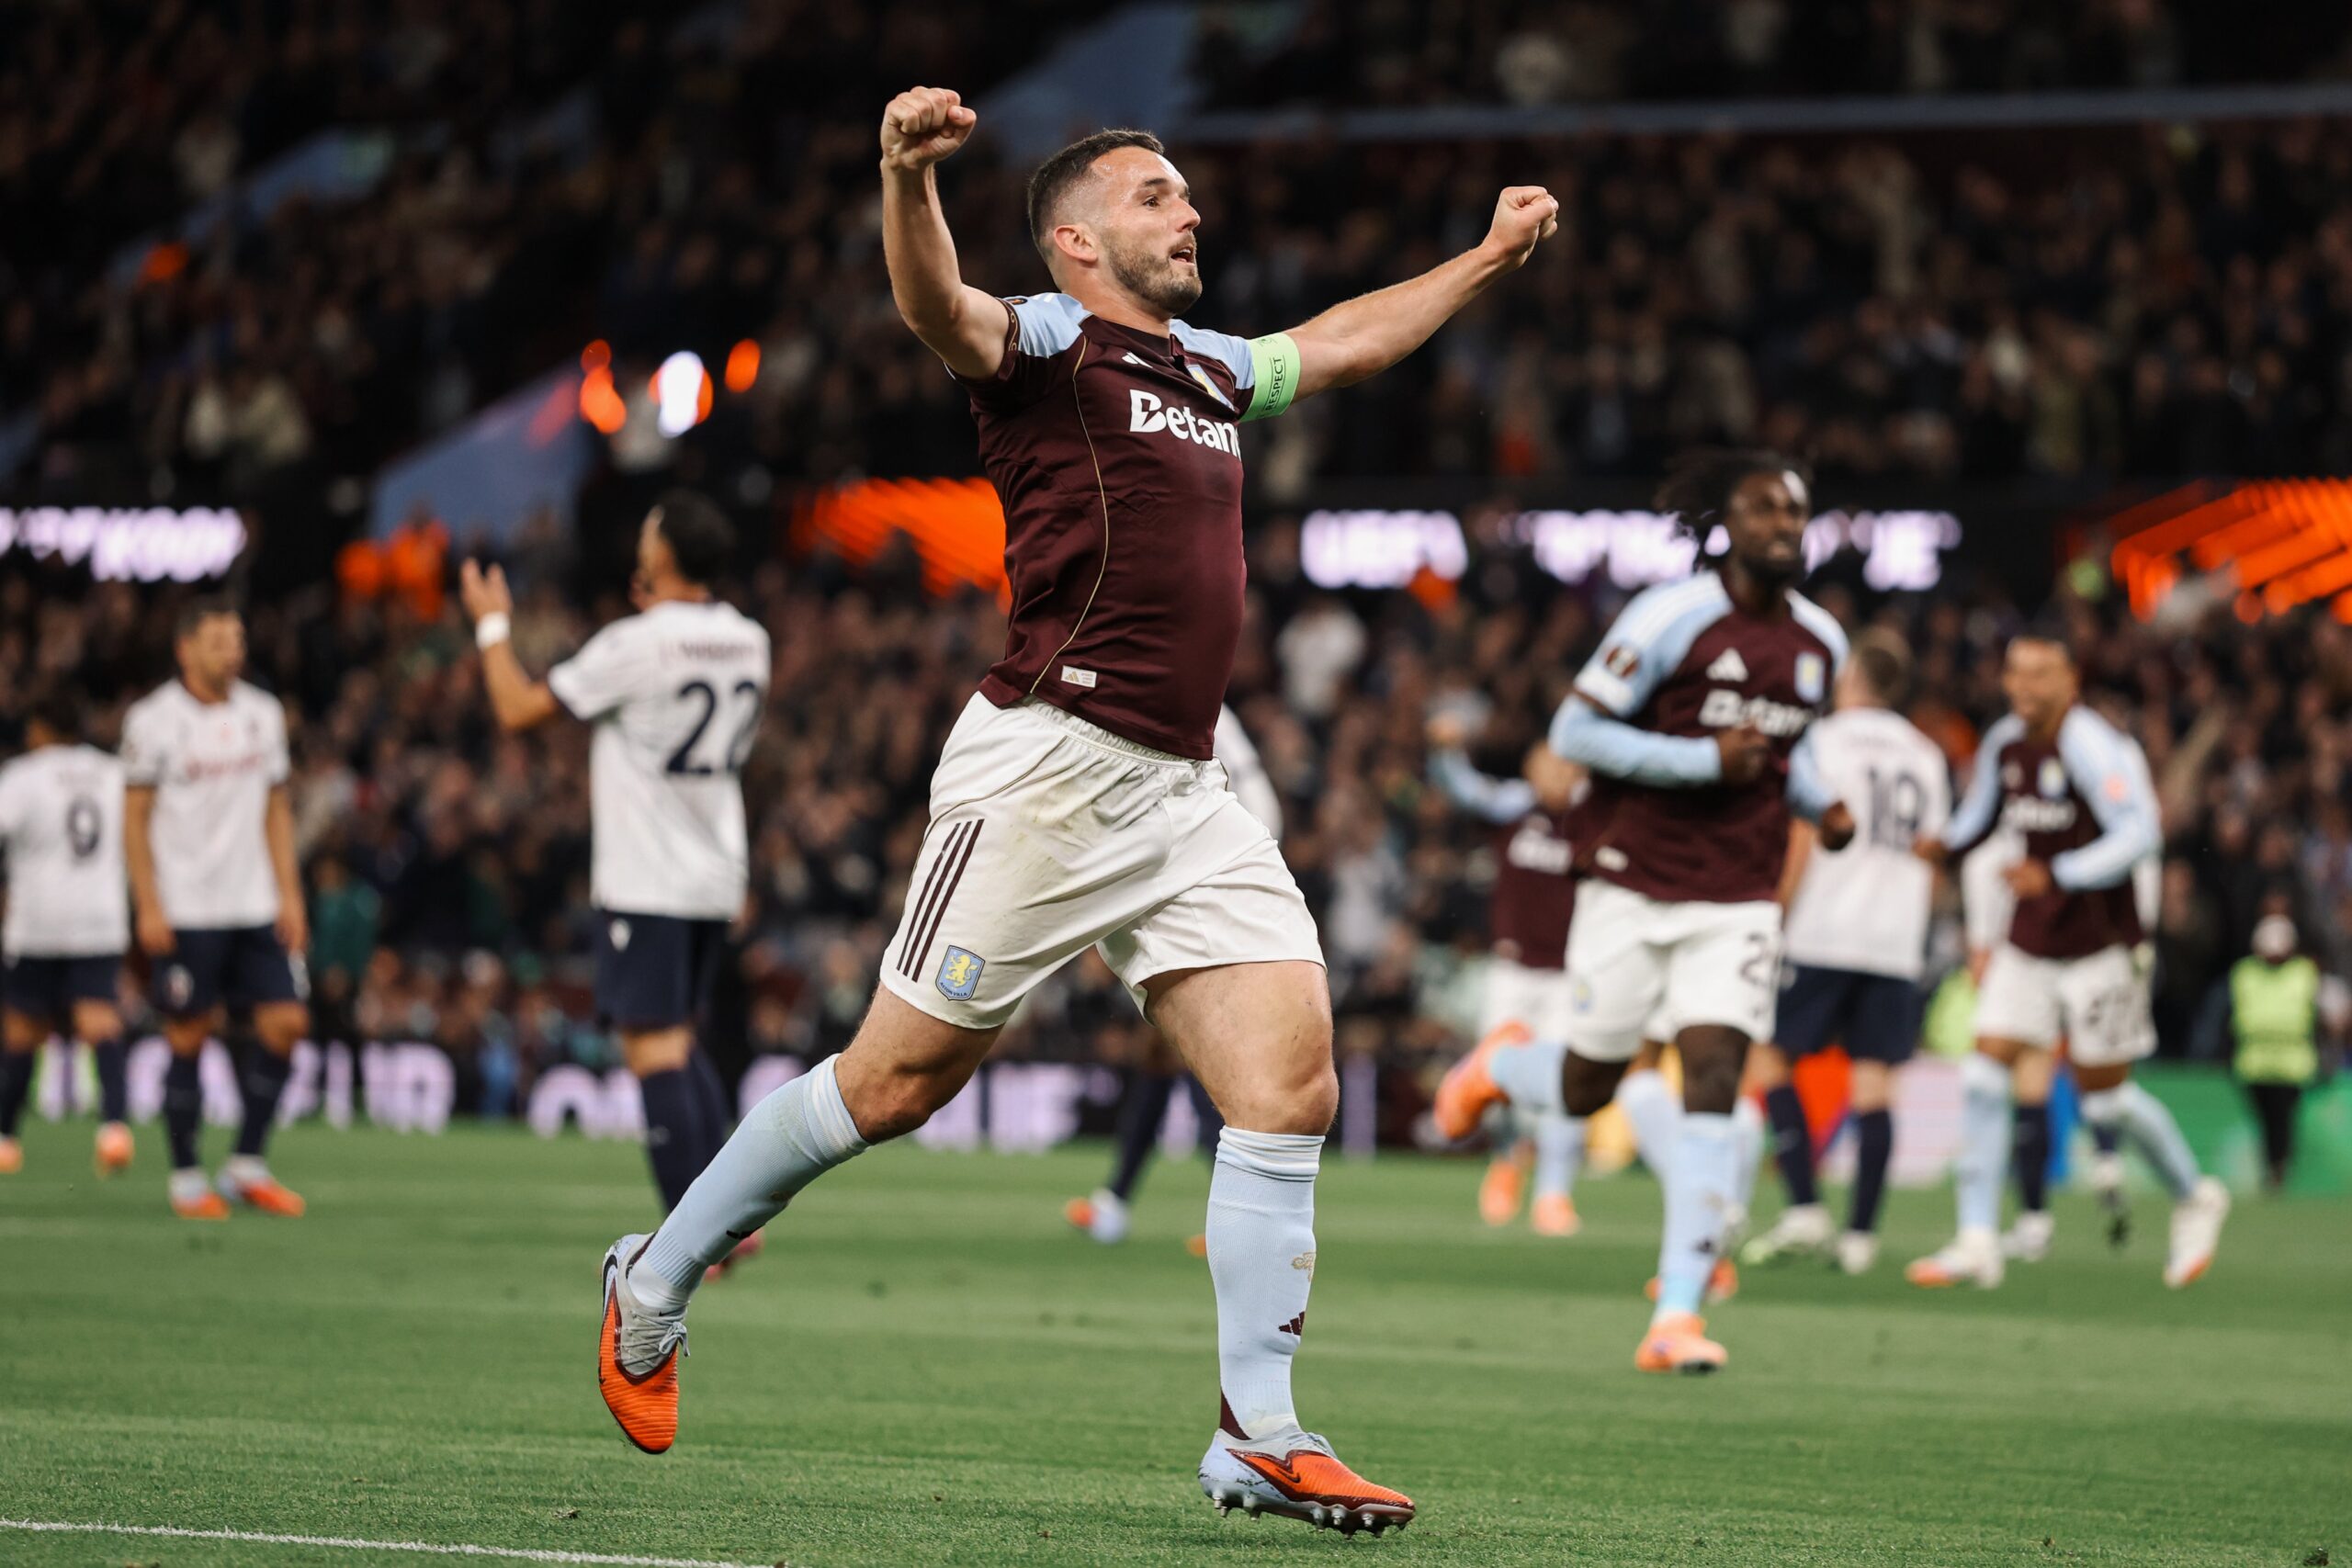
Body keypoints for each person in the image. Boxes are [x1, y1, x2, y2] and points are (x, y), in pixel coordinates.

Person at [593, 87, 1560, 1535]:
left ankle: (1260, 1431)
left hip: (1183, 785)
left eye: (1186, 192)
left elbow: (1349, 336)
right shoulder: (1051, 343)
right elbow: (942, 313)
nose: (1190, 210)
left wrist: (1482, 260)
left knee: (1289, 1085)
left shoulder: (1215, 367)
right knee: (894, 1085)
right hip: (1044, 768)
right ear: (1076, 236)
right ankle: (654, 1275)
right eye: (1157, 193)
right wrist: (904, 180)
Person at [1434, 448, 1854, 1375]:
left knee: (1713, 1078)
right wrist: (1703, 763)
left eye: (1794, 511)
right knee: (1591, 1086)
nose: (1783, 525)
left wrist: (1818, 803)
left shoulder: (1822, 643)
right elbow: (1576, 733)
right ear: (1726, 527)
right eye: (1762, 511)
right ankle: (1503, 1064)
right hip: (1631, 881)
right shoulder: (1670, 616)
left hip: (1738, 897)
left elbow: (1787, 750)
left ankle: (1674, 1317)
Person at [460, 494, 767, 1259]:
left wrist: (492, 623)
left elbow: (517, 708)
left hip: (647, 876)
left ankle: (700, 1240)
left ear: (659, 560)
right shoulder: (749, 640)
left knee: (655, 1051)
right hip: (714, 870)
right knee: (680, 1040)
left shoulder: (636, 643)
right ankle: (734, 1220)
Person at [1907, 635, 2227, 1291]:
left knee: (2106, 1101)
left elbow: (2140, 832)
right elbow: (1981, 815)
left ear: (2069, 681)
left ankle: (2195, 1195)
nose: (2023, 686)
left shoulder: (2091, 746)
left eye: (2039, 674)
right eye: (2015, 672)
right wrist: (1944, 844)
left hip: (2099, 942)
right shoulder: (2004, 742)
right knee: (1983, 1070)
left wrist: (2058, 872)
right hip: (2031, 936)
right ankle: (1976, 1239)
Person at [1738, 630, 1949, 1276]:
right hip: (1893, 938)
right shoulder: (1927, 755)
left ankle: (1804, 1204)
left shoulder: (1822, 742)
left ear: (1852, 676)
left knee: (1769, 1058)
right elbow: (1932, 851)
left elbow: (1802, 833)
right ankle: (1860, 1235)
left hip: (1823, 925)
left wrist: (1776, 908)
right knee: (1873, 1082)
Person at [121, 599, 310, 1220]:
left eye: (238, 637)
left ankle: (247, 1163)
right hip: (186, 905)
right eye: (220, 640)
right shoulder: (152, 720)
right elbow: (135, 817)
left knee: (287, 1024)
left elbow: (277, 808)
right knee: (189, 1034)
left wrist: (290, 893)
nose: (234, 650)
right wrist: (147, 902)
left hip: (255, 901)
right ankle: (184, 1178)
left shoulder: (262, 713)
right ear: (186, 648)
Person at [1064, 704, 1274, 1247]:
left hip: (1211, 888)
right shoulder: (1175, 693)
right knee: (1162, 1060)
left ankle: (1235, 1220)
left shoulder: (1202, 703)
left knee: (1199, 1061)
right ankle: (1115, 1201)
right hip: (1180, 882)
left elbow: (1259, 808)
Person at [1424, 713, 1589, 1236]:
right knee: (1494, 1078)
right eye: (1549, 764)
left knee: (1568, 1084)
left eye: (1568, 766)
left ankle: (1555, 1194)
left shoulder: (1595, 822)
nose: (1558, 775)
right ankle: (1506, 1161)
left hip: (1569, 975)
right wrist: (1444, 751)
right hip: (1513, 971)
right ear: (1531, 768)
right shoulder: (1514, 807)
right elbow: (1463, 790)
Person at [0, 697, 132, 1177]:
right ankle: (115, 1129)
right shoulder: (113, 774)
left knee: (21, 1032)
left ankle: (6, 1139)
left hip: (37, 919)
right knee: (101, 1022)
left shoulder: (23, 777)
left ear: (38, 729)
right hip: (99, 918)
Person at [2228, 908, 2321, 1191]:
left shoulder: (2304, 973)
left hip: (2291, 1065)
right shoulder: (2244, 973)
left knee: (2282, 1122)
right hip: (2254, 1063)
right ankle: (2272, 1168)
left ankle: (2278, 1171)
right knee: (2266, 1122)